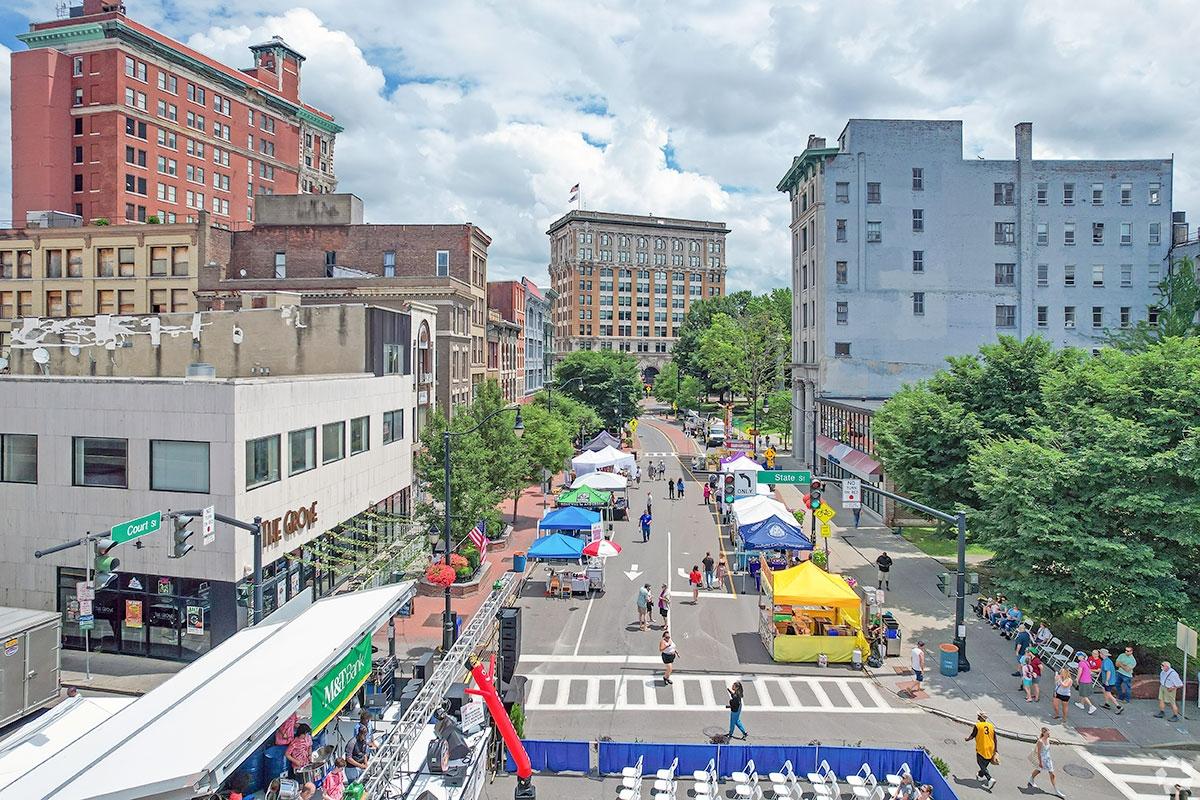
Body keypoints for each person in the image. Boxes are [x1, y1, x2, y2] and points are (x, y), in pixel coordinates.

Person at [965, 711, 998, 790]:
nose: (977, 716)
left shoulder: (978, 725)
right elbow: (995, 739)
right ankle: (980, 775)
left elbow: (973, 735)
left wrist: (967, 739)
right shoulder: (991, 726)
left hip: (982, 747)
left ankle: (990, 779)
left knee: (980, 762)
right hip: (991, 747)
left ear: (981, 718)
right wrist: (996, 750)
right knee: (985, 763)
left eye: (978, 716)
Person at [1027, 726, 1063, 797]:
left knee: (1052, 774)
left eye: (1049, 733)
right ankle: (1031, 779)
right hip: (1042, 760)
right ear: (1043, 733)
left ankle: (1056, 790)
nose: (1049, 735)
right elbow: (1039, 753)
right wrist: (1040, 763)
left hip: (1048, 760)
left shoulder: (1048, 739)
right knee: (1038, 770)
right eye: (1048, 734)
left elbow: (1047, 750)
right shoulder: (1040, 742)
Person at [1098, 648, 1124, 713]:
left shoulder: (1106, 662)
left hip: (1109, 681)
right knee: (1103, 689)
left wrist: (1107, 681)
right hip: (1107, 680)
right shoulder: (1106, 660)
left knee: (1108, 693)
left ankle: (1119, 706)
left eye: (1100, 653)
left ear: (1102, 654)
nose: (1099, 654)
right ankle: (1107, 703)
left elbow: (1108, 672)